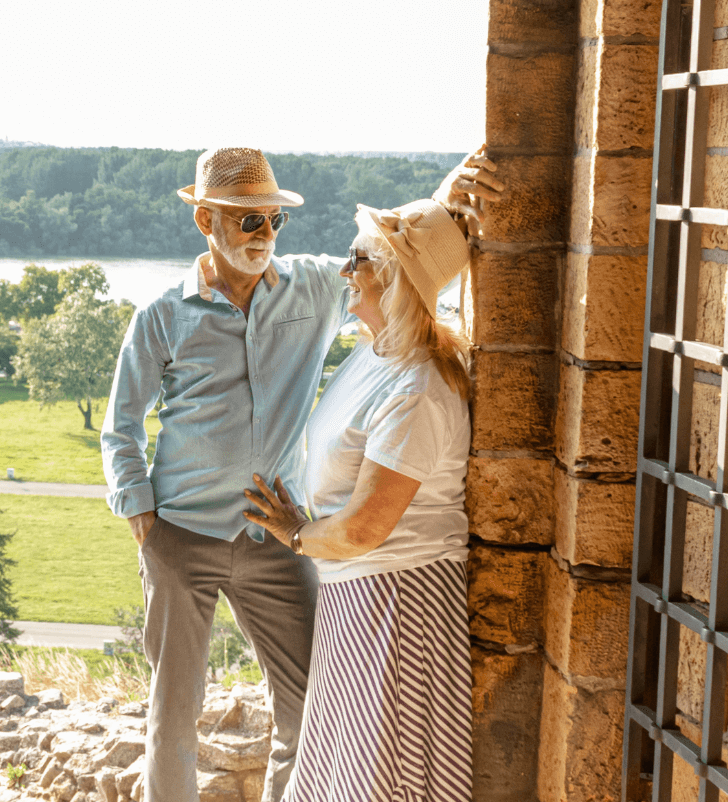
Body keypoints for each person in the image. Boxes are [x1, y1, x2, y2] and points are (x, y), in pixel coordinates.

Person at [101, 146, 497, 802]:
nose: (265, 235)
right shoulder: (162, 316)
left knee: (309, 703)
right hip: (182, 537)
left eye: (273, 221)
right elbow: (121, 427)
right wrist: (141, 512)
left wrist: (444, 199)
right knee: (173, 712)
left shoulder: (316, 287)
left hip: (276, 541)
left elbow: (404, 275)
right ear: (206, 219)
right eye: (248, 220)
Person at [242, 197, 478, 801]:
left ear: (393, 278)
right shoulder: (379, 354)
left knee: (382, 783)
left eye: (358, 260)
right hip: (360, 600)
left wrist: (296, 534)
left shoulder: (418, 385)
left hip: (397, 608)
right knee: (348, 779)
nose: (346, 272)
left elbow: (364, 529)